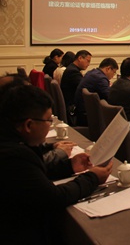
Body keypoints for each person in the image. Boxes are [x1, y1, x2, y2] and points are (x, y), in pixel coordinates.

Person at [0, 83, 112, 244]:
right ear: (29, 125)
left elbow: (31, 177)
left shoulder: (12, 141)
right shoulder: (15, 155)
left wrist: (70, 166)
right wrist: (92, 178)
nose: (50, 124)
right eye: (48, 120)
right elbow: (53, 198)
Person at [73, 57, 119, 126]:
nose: (113, 75)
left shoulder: (92, 72)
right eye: (114, 72)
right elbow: (109, 98)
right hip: (88, 116)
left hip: (80, 112)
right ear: (108, 69)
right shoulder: (101, 78)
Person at [60, 50, 92, 117]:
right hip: (73, 110)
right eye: (88, 61)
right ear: (80, 58)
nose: (88, 64)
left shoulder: (72, 68)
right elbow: (85, 88)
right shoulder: (73, 72)